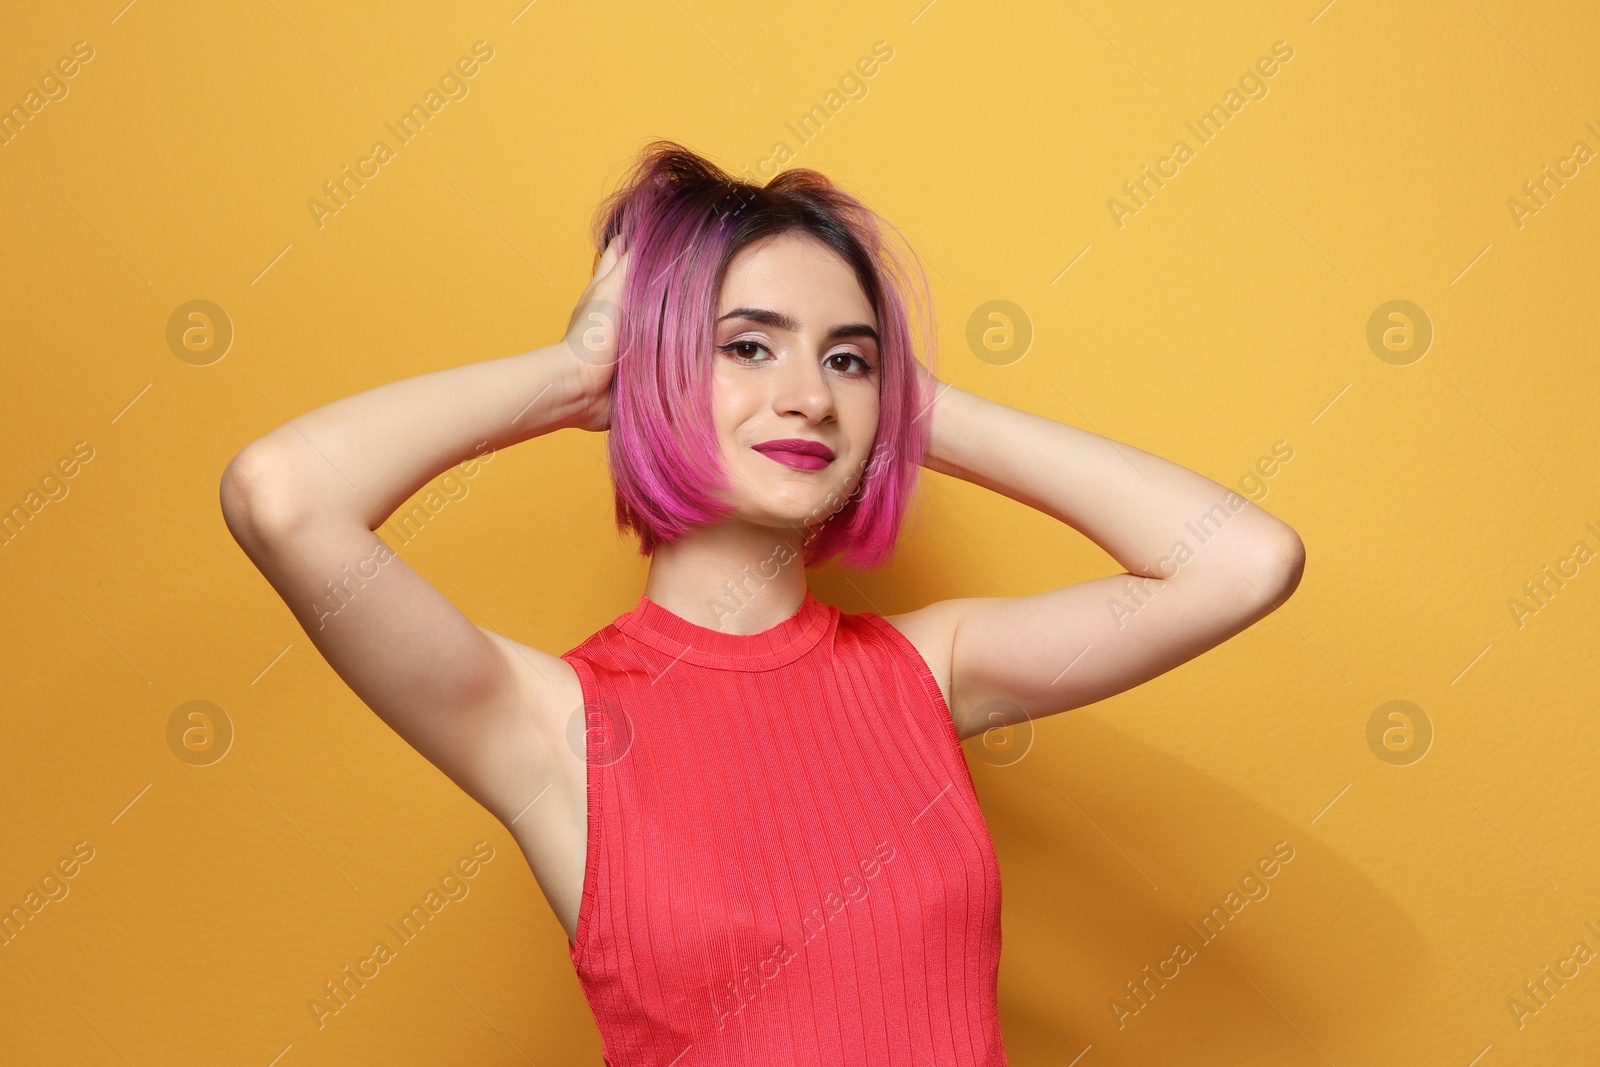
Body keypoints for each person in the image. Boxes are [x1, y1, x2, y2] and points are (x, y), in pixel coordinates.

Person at [220, 140, 1305, 1065]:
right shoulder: (553, 722)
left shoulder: (929, 668)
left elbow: (1241, 560)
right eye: (746, 345)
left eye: (846, 357)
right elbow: (283, 495)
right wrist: (578, 368)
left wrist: (911, 403)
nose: (808, 395)